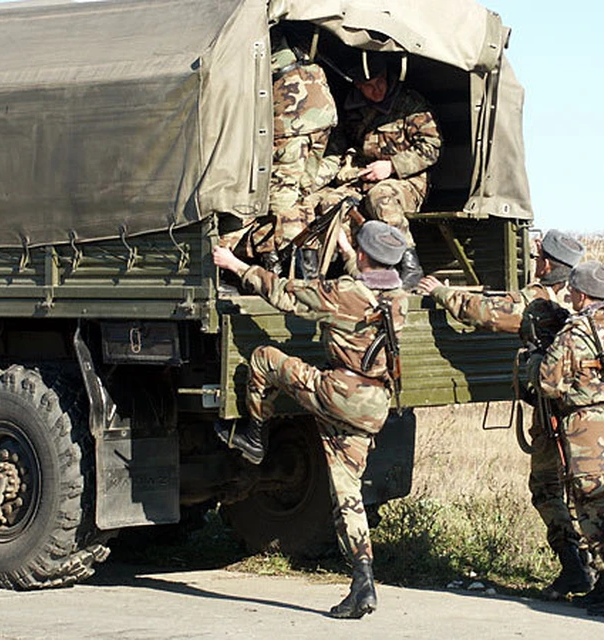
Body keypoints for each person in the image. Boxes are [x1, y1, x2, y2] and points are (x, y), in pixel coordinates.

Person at [211, 221, 409, 619]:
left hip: (338, 394)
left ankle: (254, 436)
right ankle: (363, 580)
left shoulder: (344, 294)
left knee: (266, 358)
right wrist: (349, 250)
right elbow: (366, 278)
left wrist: (233, 264)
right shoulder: (397, 297)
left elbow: (287, 295)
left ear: (365, 256)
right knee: (347, 492)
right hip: (373, 404)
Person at [418, 229, 594, 601]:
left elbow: (483, 313)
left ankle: (576, 567)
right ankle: (589, 566)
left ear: (545, 264)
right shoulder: (571, 308)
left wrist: (440, 291)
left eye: (539, 257)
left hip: (551, 415)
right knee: (578, 490)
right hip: (577, 416)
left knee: (546, 489)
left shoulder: (536, 303)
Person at [534, 260, 604, 616]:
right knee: (596, 504)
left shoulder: (574, 333)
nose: (569, 294)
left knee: (596, 505)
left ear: (581, 294)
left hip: (583, 428)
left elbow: (548, 383)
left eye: (572, 290)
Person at [321, 51, 442, 289]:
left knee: (381, 197)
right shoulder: (352, 109)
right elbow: (340, 144)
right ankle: (346, 268)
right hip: (364, 177)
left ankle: (410, 266)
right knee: (332, 202)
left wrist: (392, 166)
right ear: (357, 86)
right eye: (368, 86)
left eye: (380, 82)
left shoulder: (411, 104)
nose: (377, 90)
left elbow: (432, 147)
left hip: (407, 182)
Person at [263, 31, 340, 274]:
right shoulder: (298, 34)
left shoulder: (260, 32)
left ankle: (294, 270)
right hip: (322, 114)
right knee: (303, 191)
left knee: (284, 196)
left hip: (292, 120)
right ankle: (309, 266)